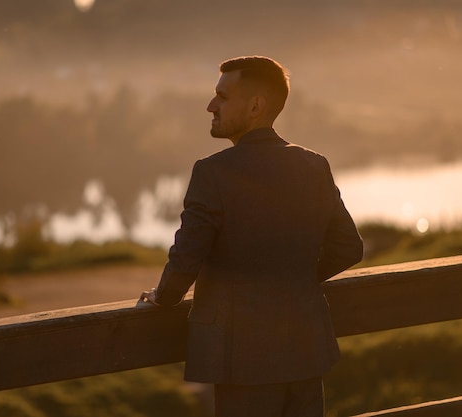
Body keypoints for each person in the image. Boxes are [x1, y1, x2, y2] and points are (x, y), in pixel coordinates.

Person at [141, 56, 363, 417]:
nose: (210, 106)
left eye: (223, 97)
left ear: (256, 106)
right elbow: (349, 248)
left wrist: (162, 298)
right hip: (306, 351)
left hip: (241, 360)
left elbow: (185, 261)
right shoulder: (313, 165)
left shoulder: (212, 173)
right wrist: (295, 278)